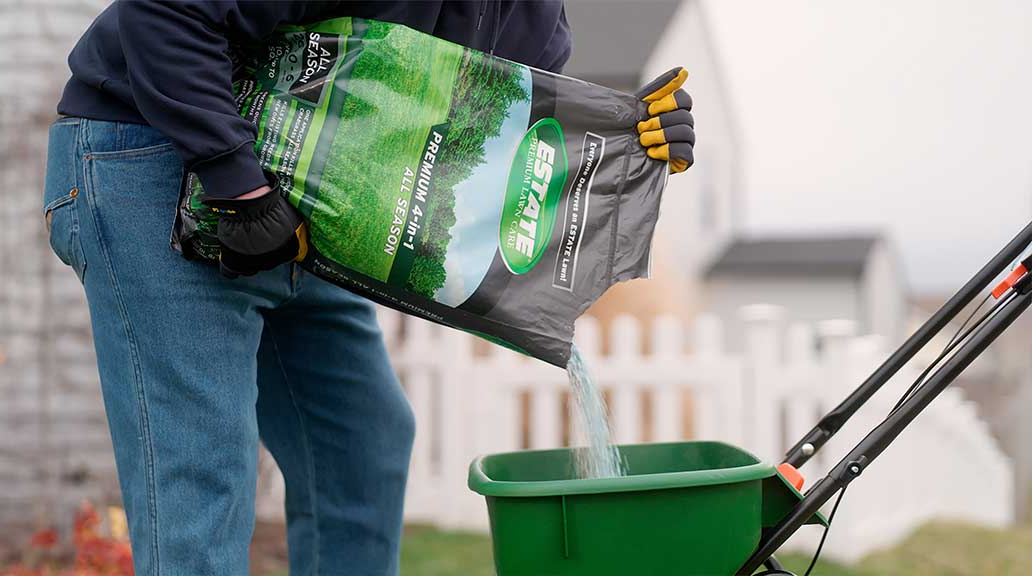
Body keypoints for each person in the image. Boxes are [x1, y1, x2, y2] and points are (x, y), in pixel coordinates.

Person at [41, 2, 693, 574]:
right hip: (151, 151)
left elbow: (516, 147)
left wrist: (626, 143)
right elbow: (168, 14)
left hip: (295, 185)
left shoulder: (531, 16)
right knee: (203, 476)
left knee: (362, 446)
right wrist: (239, 187)